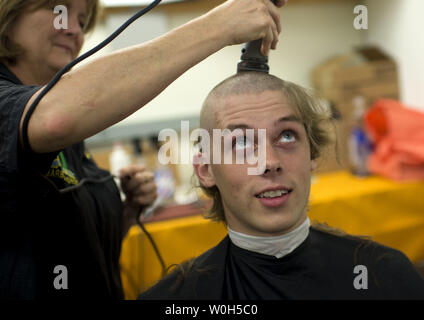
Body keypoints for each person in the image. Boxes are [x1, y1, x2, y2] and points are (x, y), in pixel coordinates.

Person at [0, 0, 286, 299]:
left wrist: (123, 214)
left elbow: (57, 242)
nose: (73, 29)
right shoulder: (35, 114)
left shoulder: (67, 138)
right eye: (58, 10)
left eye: (82, 21)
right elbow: (54, 119)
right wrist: (220, 25)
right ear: (8, 14)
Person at [138, 72, 424, 300]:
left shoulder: (385, 275)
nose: (270, 162)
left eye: (286, 136)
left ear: (311, 154)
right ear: (206, 170)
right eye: (242, 142)